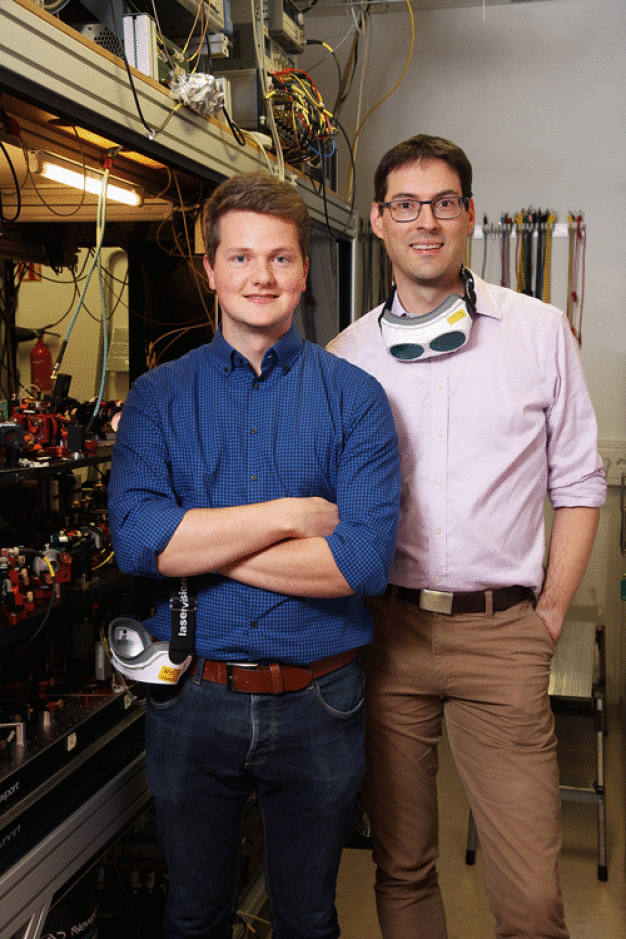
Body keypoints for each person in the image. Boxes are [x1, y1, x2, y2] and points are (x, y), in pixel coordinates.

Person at [107, 171, 400, 939]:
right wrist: (287, 517)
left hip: (320, 701)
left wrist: (195, 541)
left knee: (308, 918)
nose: (260, 276)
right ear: (209, 271)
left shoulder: (356, 397)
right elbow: (138, 541)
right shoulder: (159, 398)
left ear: (304, 271)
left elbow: (362, 562)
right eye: (239, 258)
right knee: (193, 914)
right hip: (194, 699)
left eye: (278, 258)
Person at [327, 135, 606, 939]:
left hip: (502, 633)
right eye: (406, 205)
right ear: (379, 219)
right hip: (387, 632)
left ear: (470, 216)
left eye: (444, 203)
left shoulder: (538, 331)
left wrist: (545, 615)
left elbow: (581, 485)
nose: (426, 221)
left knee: (529, 892)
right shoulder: (348, 357)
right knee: (403, 867)